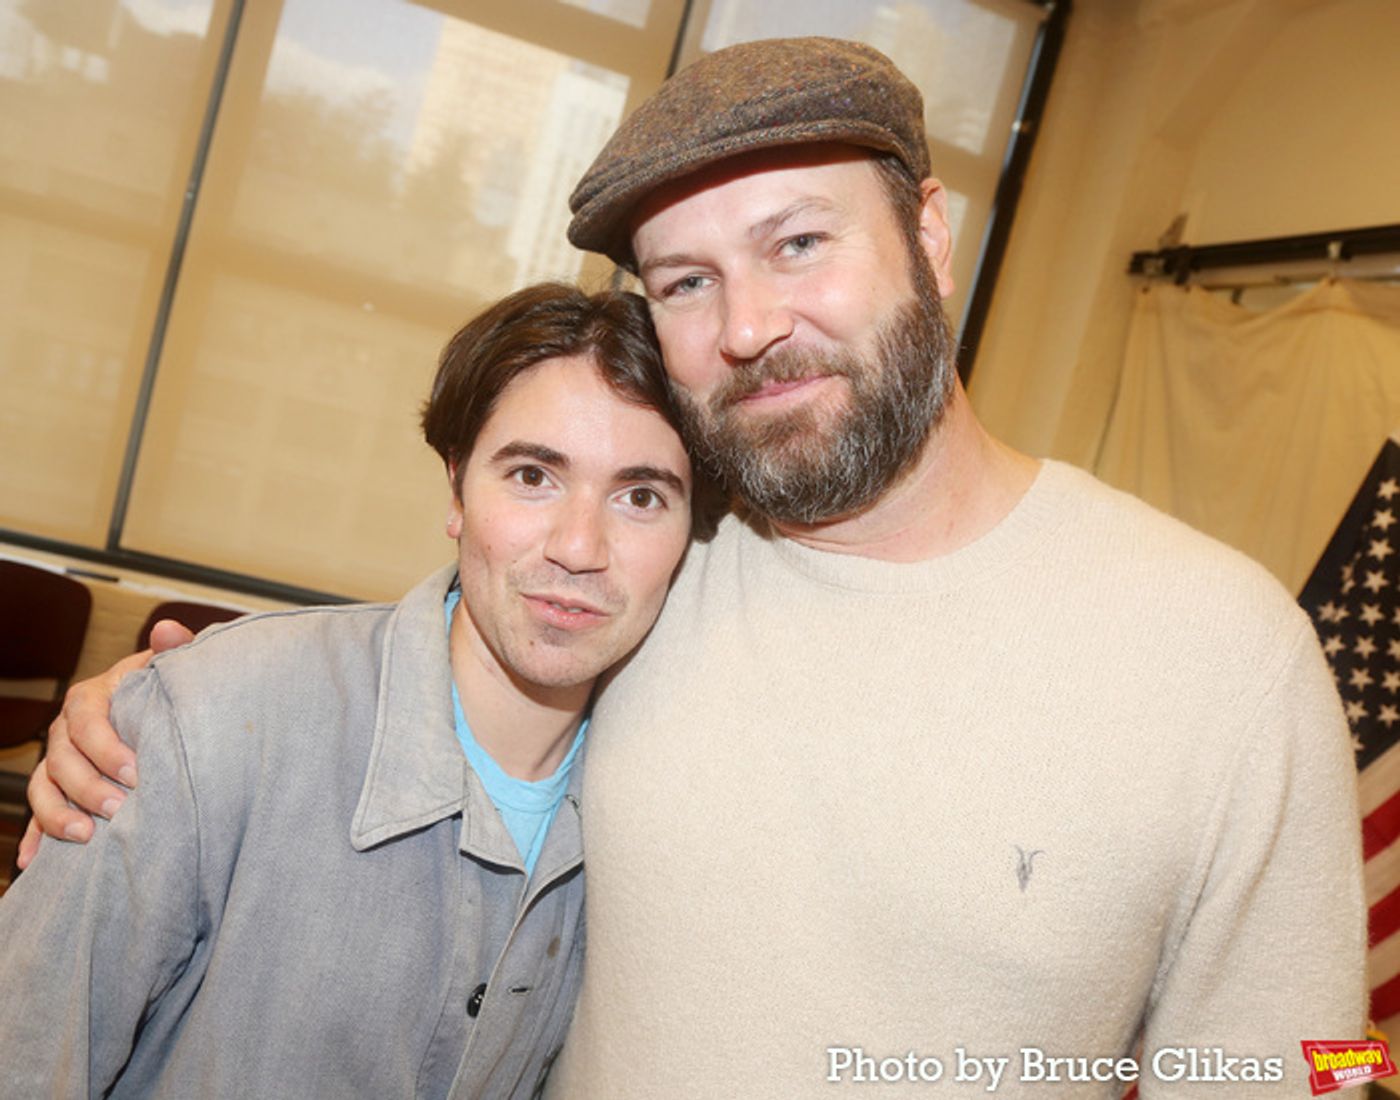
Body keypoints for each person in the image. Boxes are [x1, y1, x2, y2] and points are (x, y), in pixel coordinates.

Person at [25, 38, 1365, 1098]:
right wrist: (158, 730)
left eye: (799, 243)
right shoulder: (666, 567)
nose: (751, 328)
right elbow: (438, 674)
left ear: (934, 236)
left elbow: (1321, 1071)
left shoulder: (1225, 653)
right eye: (685, 281)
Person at [0, 283, 695, 1099]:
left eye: (641, 496)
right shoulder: (211, 720)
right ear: (456, 488)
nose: (580, 547)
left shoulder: (670, 821)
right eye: (534, 475)